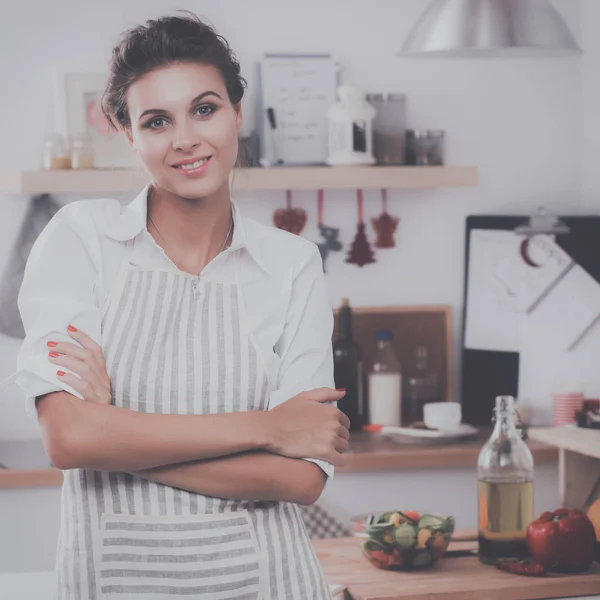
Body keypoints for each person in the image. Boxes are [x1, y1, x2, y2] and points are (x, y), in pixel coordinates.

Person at [5, 12, 350, 600]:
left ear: (238, 113)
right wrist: (270, 427)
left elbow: (300, 478)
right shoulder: (82, 239)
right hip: (115, 584)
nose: (186, 138)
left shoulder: (292, 265)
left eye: (206, 109)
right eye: (157, 120)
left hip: (270, 583)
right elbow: (68, 440)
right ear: (128, 133)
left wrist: (114, 434)